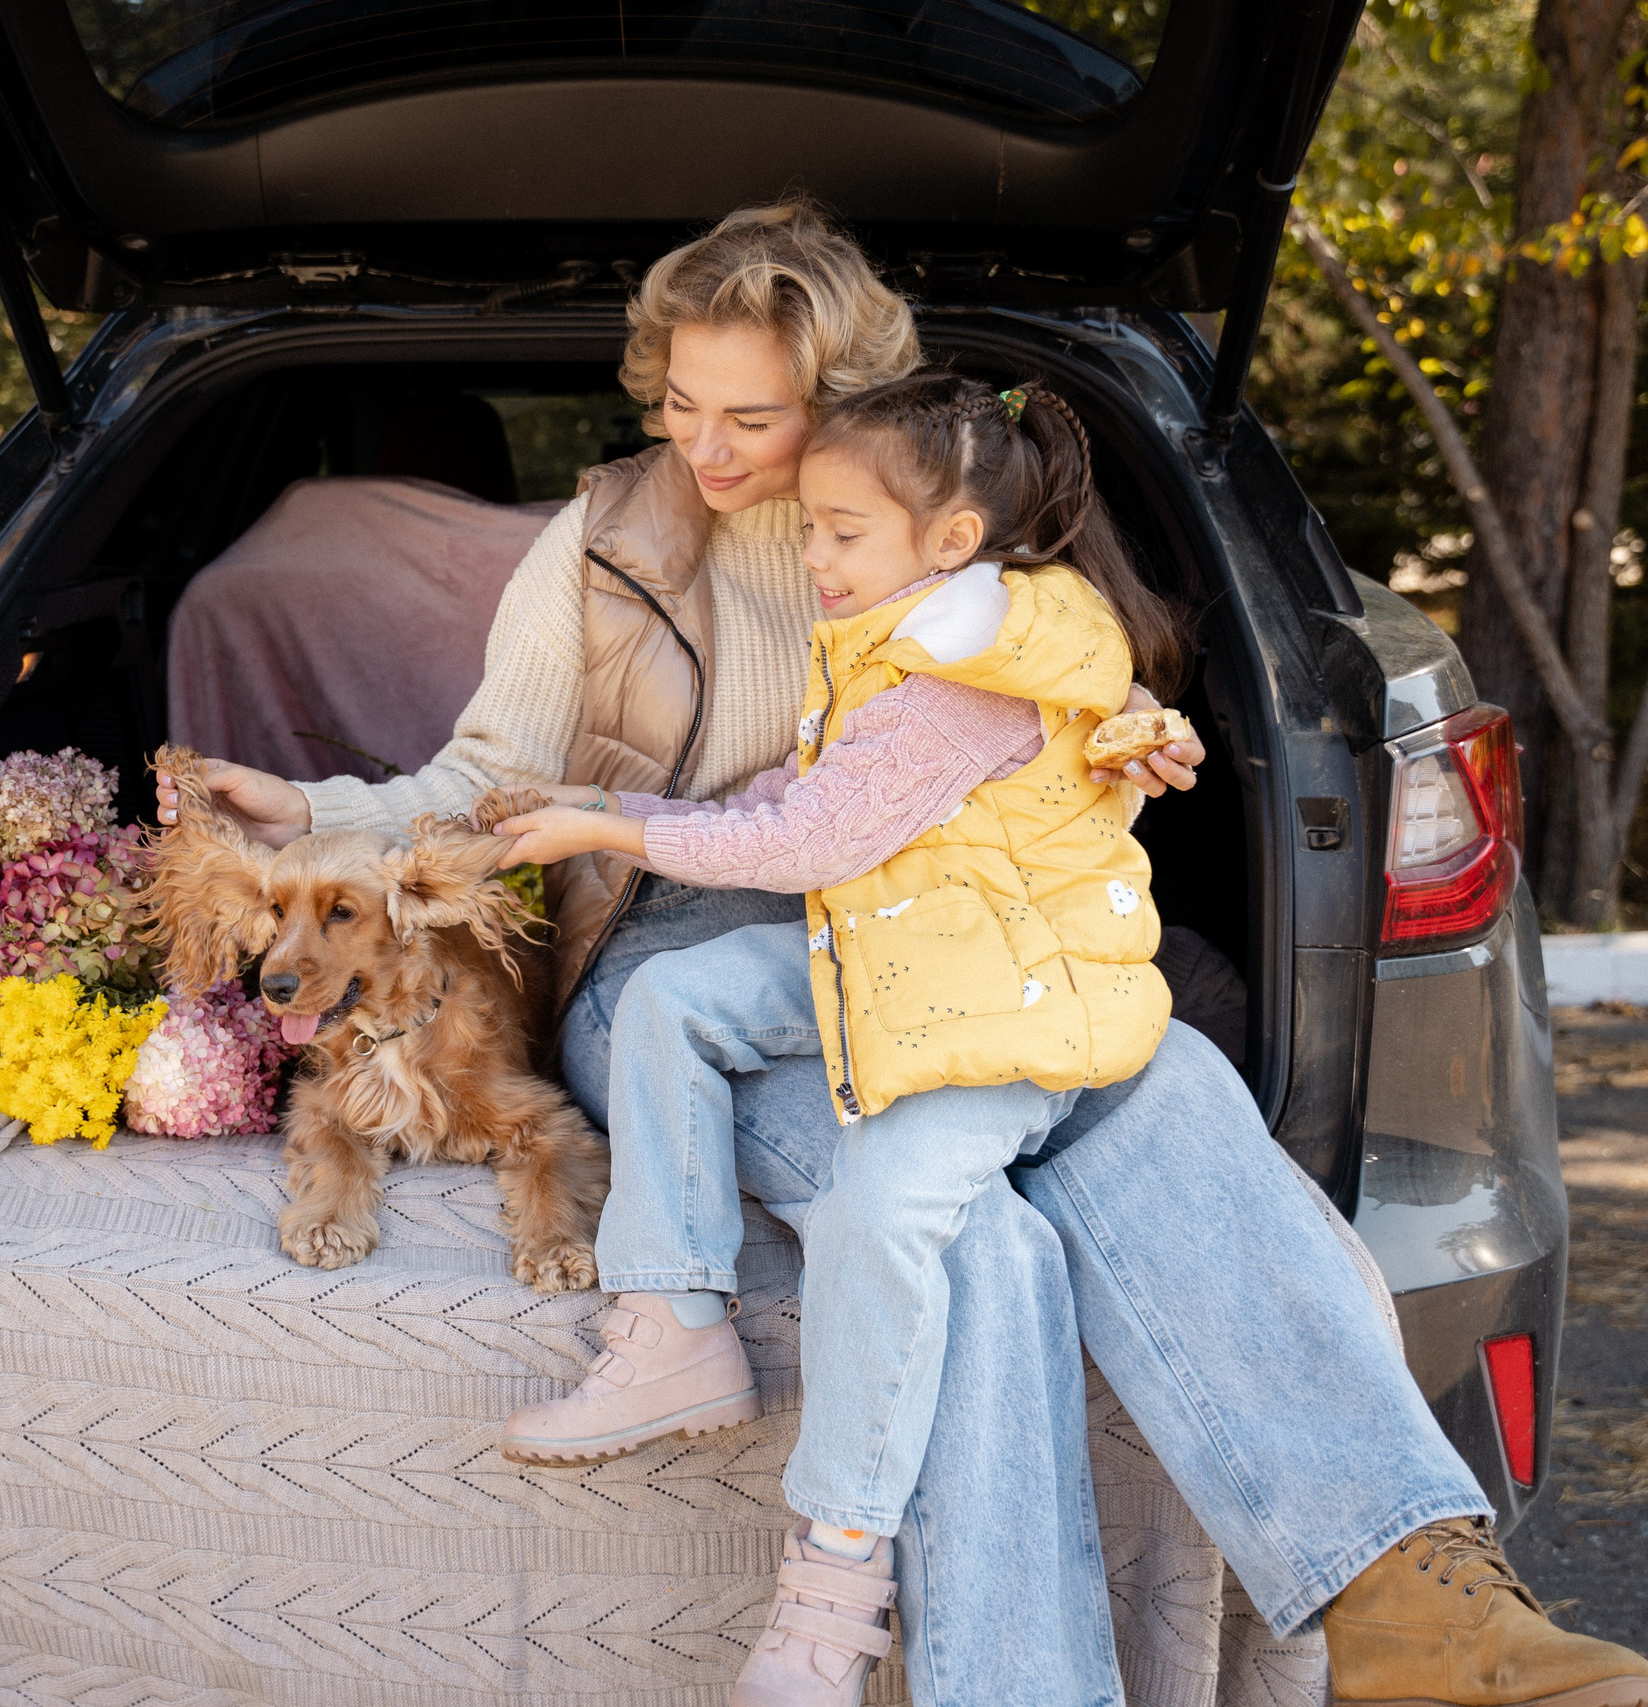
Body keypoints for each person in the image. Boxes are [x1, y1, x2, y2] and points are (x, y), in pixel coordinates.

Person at [161, 204, 1648, 1707]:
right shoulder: (606, 541)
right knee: (977, 1243)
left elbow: (1076, 695)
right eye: (680, 405)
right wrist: (307, 808)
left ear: (850, 409)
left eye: (755, 414)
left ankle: (1419, 1601)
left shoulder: (953, 545)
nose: (709, 447)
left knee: (1175, 1095)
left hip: (935, 933)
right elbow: (483, 772)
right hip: (674, 952)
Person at [493, 369, 1180, 1707]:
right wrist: (594, 797)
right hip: (904, 959)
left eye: (841, 533)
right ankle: (675, 1321)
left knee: (878, 1215)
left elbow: (812, 838)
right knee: (670, 1001)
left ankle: (835, 1581)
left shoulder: (967, 677)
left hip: (1003, 1018)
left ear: (953, 540)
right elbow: (813, 788)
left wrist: (604, 828)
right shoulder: (909, 631)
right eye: (809, 529)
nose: (813, 558)